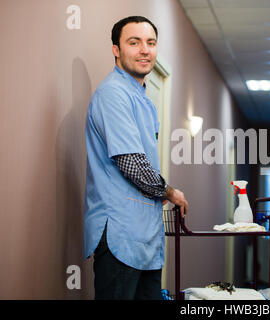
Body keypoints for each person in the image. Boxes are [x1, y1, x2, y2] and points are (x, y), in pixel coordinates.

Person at [83, 16, 188, 300]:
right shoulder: (113, 95)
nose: (145, 50)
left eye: (150, 43)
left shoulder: (141, 97)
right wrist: (171, 192)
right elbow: (133, 166)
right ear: (116, 49)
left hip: (144, 239)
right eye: (134, 42)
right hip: (121, 235)